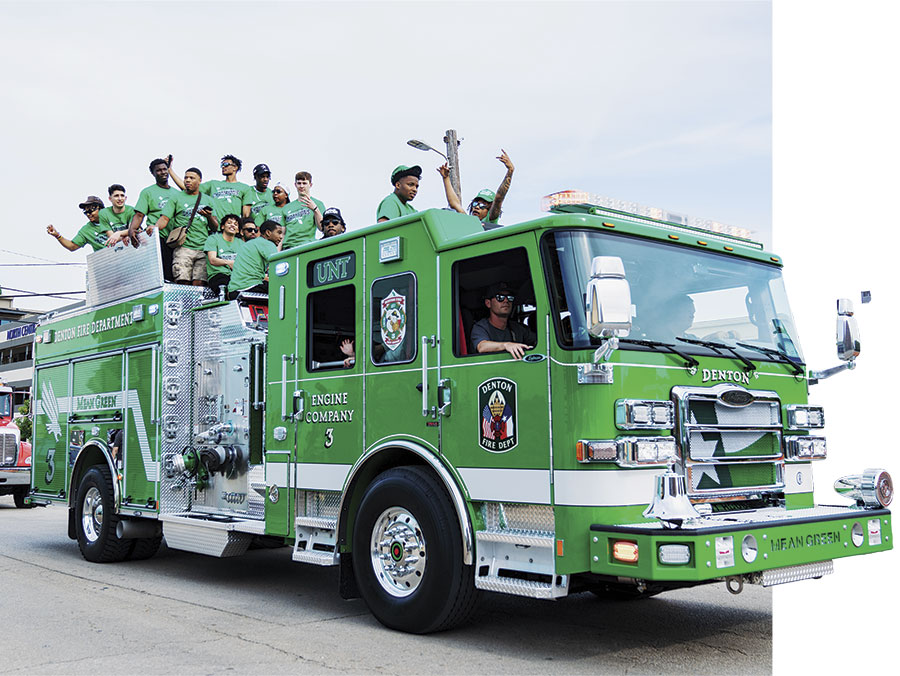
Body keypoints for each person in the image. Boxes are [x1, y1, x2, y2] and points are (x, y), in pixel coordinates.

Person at [119, 157, 181, 281]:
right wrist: (132, 230)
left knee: (177, 272)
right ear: (153, 173)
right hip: (158, 237)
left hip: (176, 238)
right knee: (164, 273)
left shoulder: (177, 193)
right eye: (158, 170)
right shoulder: (147, 192)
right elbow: (139, 215)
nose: (163, 172)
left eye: (165, 169)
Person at [154, 167, 218, 286]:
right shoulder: (176, 197)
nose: (187, 180)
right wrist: (154, 229)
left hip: (203, 248)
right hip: (183, 248)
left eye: (191, 178)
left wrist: (209, 217)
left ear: (199, 181)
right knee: (182, 283)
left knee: (199, 284)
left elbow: (215, 227)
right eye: (186, 177)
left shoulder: (208, 200)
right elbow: (164, 218)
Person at [438, 150, 514, 229]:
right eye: (475, 204)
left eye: (482, 205)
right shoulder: (469, 221)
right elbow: (454, 204)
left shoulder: (490, 221)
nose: (477, 207)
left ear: (489, 209)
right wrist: (446, 178)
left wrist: (510, 171)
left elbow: (498, 198)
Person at [168, 153, 248, 220]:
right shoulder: (213, 184)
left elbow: (246, 215)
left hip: (232, 228)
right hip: (215, 228)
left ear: (235, 167)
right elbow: (188, 187)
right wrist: (170, 171)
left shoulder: (244, 188)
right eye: (222, 165)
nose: (223, 167)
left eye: (226, 164)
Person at [471, 282, 536, 359]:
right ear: (488, 303)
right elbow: (482, 346)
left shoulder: (517, 328)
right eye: (500, 297)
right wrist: (506, 345)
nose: (506, 301)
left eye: (509, 297)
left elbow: (538, 341)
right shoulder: (480, 327)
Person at [228, 219, 284, 298]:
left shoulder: (251, 243)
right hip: (249, 287)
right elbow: (278, 267)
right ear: (268, 233)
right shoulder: (268, 244)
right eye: (279, 233)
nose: (281, 237)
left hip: (233, 290)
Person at [46, 196, 111, 252]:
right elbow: (72, 246)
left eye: (91, 211)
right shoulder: (86, 230)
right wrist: (57, 235)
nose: (88, 214)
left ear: (101, 209)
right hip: (107, 263)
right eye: (86, 212)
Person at [282, 171, 325, 249]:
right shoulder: (286, 208)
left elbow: (322, 228)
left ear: (310, 185)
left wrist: (315, 209)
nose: (301, 186)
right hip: (288, 247)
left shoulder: (318, 203)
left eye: (304, 183)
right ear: (295, 185)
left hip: (307, 246)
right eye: (299, 183)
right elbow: (282, 233)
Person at [205, 213, 244, 296]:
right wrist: (229, 262)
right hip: (218, 275)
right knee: (228, 288)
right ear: (222, 226)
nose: (232, 225)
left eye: (235, 224)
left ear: (238, 230)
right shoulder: (213, 239)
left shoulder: (241, 243)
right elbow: (212, 260)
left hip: (235, 276)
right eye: (229, 223)